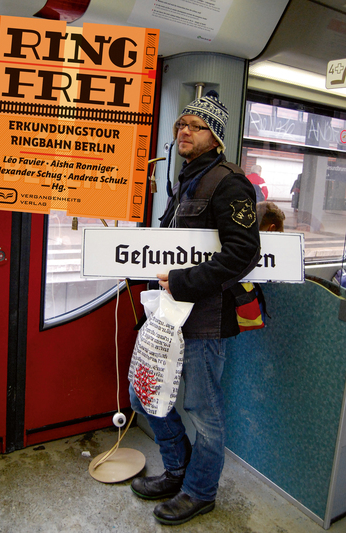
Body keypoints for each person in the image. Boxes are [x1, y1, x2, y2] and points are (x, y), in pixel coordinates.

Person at [129, 90, 261, 526]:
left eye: (195, 125)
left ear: (216, 138)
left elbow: (243, 252)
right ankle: (179, 468)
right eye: (180, 124)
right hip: (168, 315)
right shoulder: (186, 179)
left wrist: (184, 281)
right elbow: (175, 247)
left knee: (204, 411)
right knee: (143, 393)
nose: (184, 130)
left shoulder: (229, 182)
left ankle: (200, 491)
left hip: (204, 320)